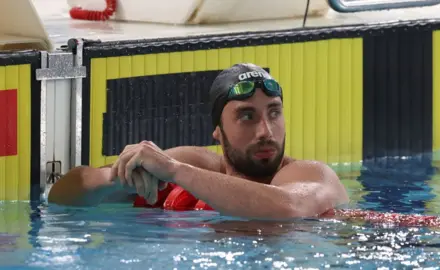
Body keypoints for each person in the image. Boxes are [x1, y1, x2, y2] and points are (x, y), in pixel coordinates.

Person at [48, 63, 350, 220]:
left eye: (274, 113)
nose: (266, 132)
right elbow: (61, 197)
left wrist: (175, 171)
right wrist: (118, 179)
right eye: (247, 116)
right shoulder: (194, 163)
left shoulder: (310, 174)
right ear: (217, 131)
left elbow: (291, 209)